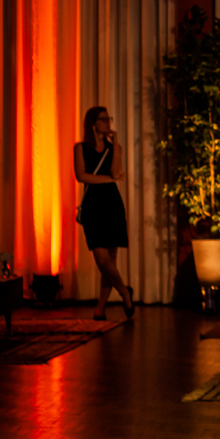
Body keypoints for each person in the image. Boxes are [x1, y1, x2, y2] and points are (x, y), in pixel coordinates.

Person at [72, 106, 132, 320]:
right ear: (93, 123)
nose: (108, 123)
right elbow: (82, 176)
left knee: (110, 261)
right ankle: (125, 292)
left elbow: (116, 172)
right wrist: (108, 179)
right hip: (93, 206)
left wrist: (116, 146)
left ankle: (100, 308)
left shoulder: (115, 148)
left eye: (109, 119)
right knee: (101, 258)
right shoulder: (80, 148)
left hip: (112, 204)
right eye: (104, 119)